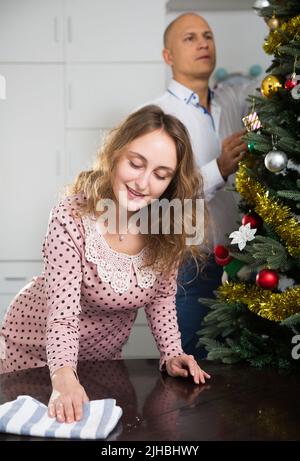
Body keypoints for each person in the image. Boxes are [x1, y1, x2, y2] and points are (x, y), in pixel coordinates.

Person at [0, 105, 210, 424]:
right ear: (115, 153)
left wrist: (172, 353)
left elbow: (162, 298)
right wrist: (63, 378)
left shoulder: (167, 225)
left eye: (160, 174)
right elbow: (64, 316)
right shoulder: (70, 217)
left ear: (171, 183)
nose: (142, 182)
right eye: (135, 164)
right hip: (30, 352)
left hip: (100, 361)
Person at [149, 12, 256, 358]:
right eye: (190, 37)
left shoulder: (233, 101)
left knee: (241, 376)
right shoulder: (154, 116)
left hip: (243, 264)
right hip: (187, 270)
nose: (203, 43)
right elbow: (155, 195)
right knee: (190, 376)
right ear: (168, 57)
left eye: (208, 35)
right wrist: (219, 168)